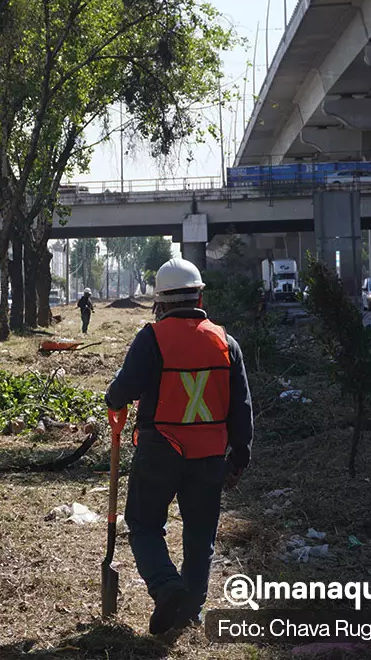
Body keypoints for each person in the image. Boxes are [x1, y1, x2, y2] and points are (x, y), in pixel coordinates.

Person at [105, 258, 253, 635]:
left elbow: (122, 390)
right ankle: (190, 609)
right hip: (209, 455)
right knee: (200, 535)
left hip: (160, 450)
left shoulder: (152, 338)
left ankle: (167, 587)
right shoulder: (225, 342)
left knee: (143, 523)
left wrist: (114, 401)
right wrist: (239, 456)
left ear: (160, 301)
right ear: (199, 295)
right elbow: (242, 407)